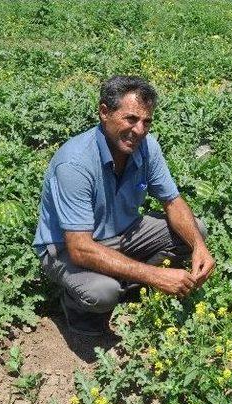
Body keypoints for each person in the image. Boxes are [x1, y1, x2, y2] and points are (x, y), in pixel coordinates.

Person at [33, 75, 215, 336]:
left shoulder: (147, 148)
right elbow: (80, 249)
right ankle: (76, 310)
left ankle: (128, 283)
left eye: (146, 122)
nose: (139, 130)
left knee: (195, 230)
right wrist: (154, 275)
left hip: (123, 233)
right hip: (69, 248)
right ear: (104, 112)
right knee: (102, 292)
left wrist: (200, 247)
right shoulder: (75, 164)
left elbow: (172, 202)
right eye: (131, 119)